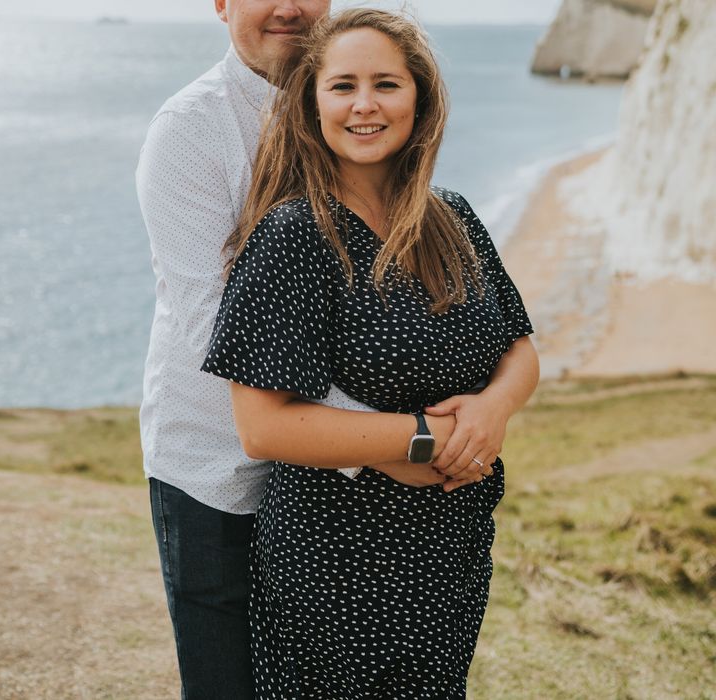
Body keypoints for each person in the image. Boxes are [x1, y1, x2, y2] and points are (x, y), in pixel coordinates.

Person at [201, 8, 539, 699]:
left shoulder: (454, 216)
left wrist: (492, 412)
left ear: (420, 97)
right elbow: (262, 425)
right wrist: (426, 440)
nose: (364, 105)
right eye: (342, 86)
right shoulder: (295, 235)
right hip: (335, 565)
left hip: (451, 552)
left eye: (386, 84)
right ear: (312, 105)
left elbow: (520, 346)